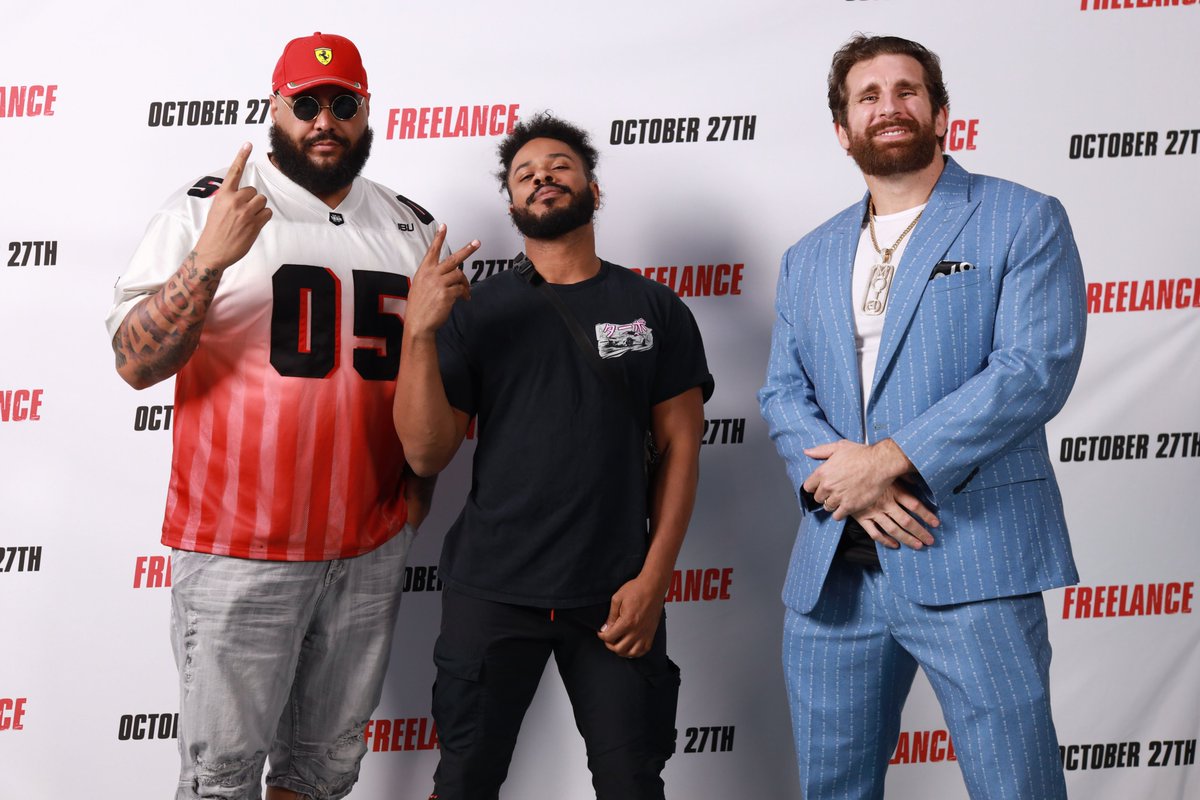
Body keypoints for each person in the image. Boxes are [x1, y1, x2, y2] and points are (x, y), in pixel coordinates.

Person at [106, 32, 453, 800]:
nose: (324, 120)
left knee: (323, 772)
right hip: (241, 548)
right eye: (305, 104)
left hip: (365, 551)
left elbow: (432, 385)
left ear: (366, 111)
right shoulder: (210, 208)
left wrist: (406, 503)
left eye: (342, 104)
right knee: (222, 778)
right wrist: (210, 259)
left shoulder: (409, 227)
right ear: (275, 109)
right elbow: (135, 362)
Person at [759, 35, 1086, 800]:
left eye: (907, 91)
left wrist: (889, 460)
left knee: (1017, 787)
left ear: (941, 113)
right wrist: (850, 486)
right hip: (835, 573)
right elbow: (782, 394)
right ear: (843, 130)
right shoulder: (808, 256)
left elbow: (1032, 369)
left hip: (973, 556)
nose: (888, 106)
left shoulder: (1020, 217)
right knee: (833, 790)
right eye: (867, 96)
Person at [393, 112, 714, 800]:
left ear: (593, 191)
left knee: (633, 783)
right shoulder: (476, 312)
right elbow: (425, 452)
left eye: (560, 166)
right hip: (493, 589)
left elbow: (684, 448)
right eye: (524, 173)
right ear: (512, 203)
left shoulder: (653, 308)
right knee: (465, 780)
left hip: (615, 593)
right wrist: (419, 336)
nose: (542, 176)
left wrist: (655, 580)